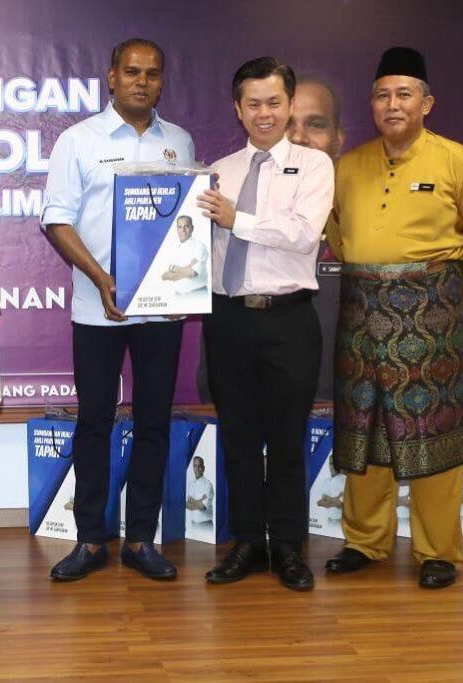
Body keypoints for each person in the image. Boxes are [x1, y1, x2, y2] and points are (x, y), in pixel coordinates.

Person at [324, 47, 463, 589]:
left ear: (426, 103)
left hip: (431, 322)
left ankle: (439, 551)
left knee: (433, 433)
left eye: (404, 94)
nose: (392, 104)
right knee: (365, 429)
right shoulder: (348, 165)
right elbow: (336, 234)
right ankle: (365, 542)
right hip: (361, 316)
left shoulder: (458, 162)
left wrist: (450, 297)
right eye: (382, 95)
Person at [42, 38, 195, 582]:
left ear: (161, 81)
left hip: (162, 312)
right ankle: (89, 540)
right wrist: (101, 278)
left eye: (152, 74)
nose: (141, 82)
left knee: (154, 423)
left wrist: (185, 285)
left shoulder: (179, 141)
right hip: (97, 307)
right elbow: (56, 219)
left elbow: (187, 224)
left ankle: (141, 540)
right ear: (111, 77)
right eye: (131, 72)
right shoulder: (78, 140)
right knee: (94, 422)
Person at [197, 57, 333, 591]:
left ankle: (290, 548)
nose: (264, 113)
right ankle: (248, 543)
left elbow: (302, 234)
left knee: (286, 439)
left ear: (290, 104)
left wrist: (239, 219)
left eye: (274, 102)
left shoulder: (314, 165)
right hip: (228, 319)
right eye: (253, 103)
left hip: (288, 320)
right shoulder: (218, 171)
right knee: (238, 437)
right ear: (238, 108)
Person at [287, 75, 346, 403]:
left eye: (315, 124)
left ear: (338, 139)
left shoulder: (363, 215)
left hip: (346, 405)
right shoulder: (240, 211)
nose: (298, 137)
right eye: (288, 124)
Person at [161, 216, 208, 293]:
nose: (183, 230)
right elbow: (164, 276)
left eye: (186, 226)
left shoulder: (199, 247)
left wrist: (174, 269)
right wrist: (189, 267)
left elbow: (193, 273)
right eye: (180, 227)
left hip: (197, 294)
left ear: (192, 228)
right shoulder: (174, 248)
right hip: (178, 295)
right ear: (177, 229)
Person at [185, 456, 214, 527]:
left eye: (199, 466)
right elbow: (187, 505)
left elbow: (203, 506)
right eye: (195, 466)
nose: (197, 469)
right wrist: (200, 501)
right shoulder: (191, 484)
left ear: (203, 468)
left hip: (206, 524)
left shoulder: (208, 485)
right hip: (193, 524)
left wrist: (192, 500)